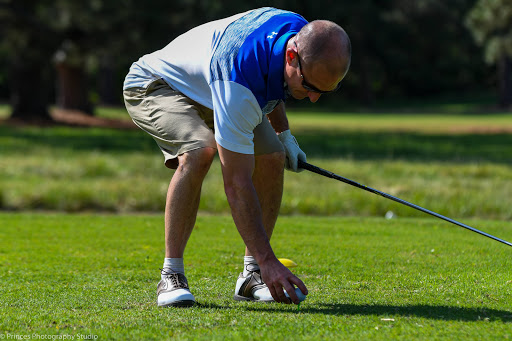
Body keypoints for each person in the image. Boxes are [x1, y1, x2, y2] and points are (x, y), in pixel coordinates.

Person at [123, 7, 351, 307]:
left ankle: (251, 276)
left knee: (272, 156)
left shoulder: (294, 30)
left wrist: (285, 137)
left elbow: (271, 83)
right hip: (155, 85)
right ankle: (171, 275)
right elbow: (236, 182)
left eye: (325, 91)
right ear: (292, 57)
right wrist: (270, 258)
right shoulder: (237, 81)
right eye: (309, 86)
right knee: (199, 152)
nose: (313, 98)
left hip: (212, 89)